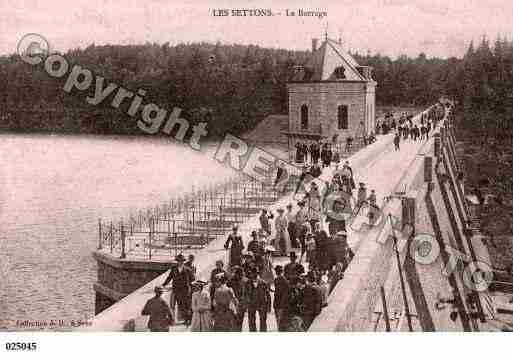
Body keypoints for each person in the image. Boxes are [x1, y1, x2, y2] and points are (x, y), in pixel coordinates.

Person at [162, 254, 194, 326]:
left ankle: (187, 320)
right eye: (179, 261)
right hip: (176, 290)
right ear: (177, 261)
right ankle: (176, 320)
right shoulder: (174, 269)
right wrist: (164, 284)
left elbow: (192, 280)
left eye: (182, 261)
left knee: (185, 306)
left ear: (183, 262)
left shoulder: (188, 270)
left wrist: (191, 289)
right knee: (176, 305)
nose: (180, 262)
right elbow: (169, 277)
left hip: (185, 291)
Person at [227, 266, 247, 331]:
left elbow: (247, 293)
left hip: (241, 304)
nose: (236, 275)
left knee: (239, 321)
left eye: (238, 273)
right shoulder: (231, 281)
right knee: (234, 321)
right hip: (234, 303)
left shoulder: (245, 281)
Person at [273, 265, 290, 331]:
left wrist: (283, 302)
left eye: (278, 271)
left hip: (280, 303)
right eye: (277, 271)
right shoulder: (278, 279)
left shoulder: (283, 280)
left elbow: (286, 292)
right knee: (278, 319)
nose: (277, 272)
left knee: (280, 320)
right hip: (278, 302)